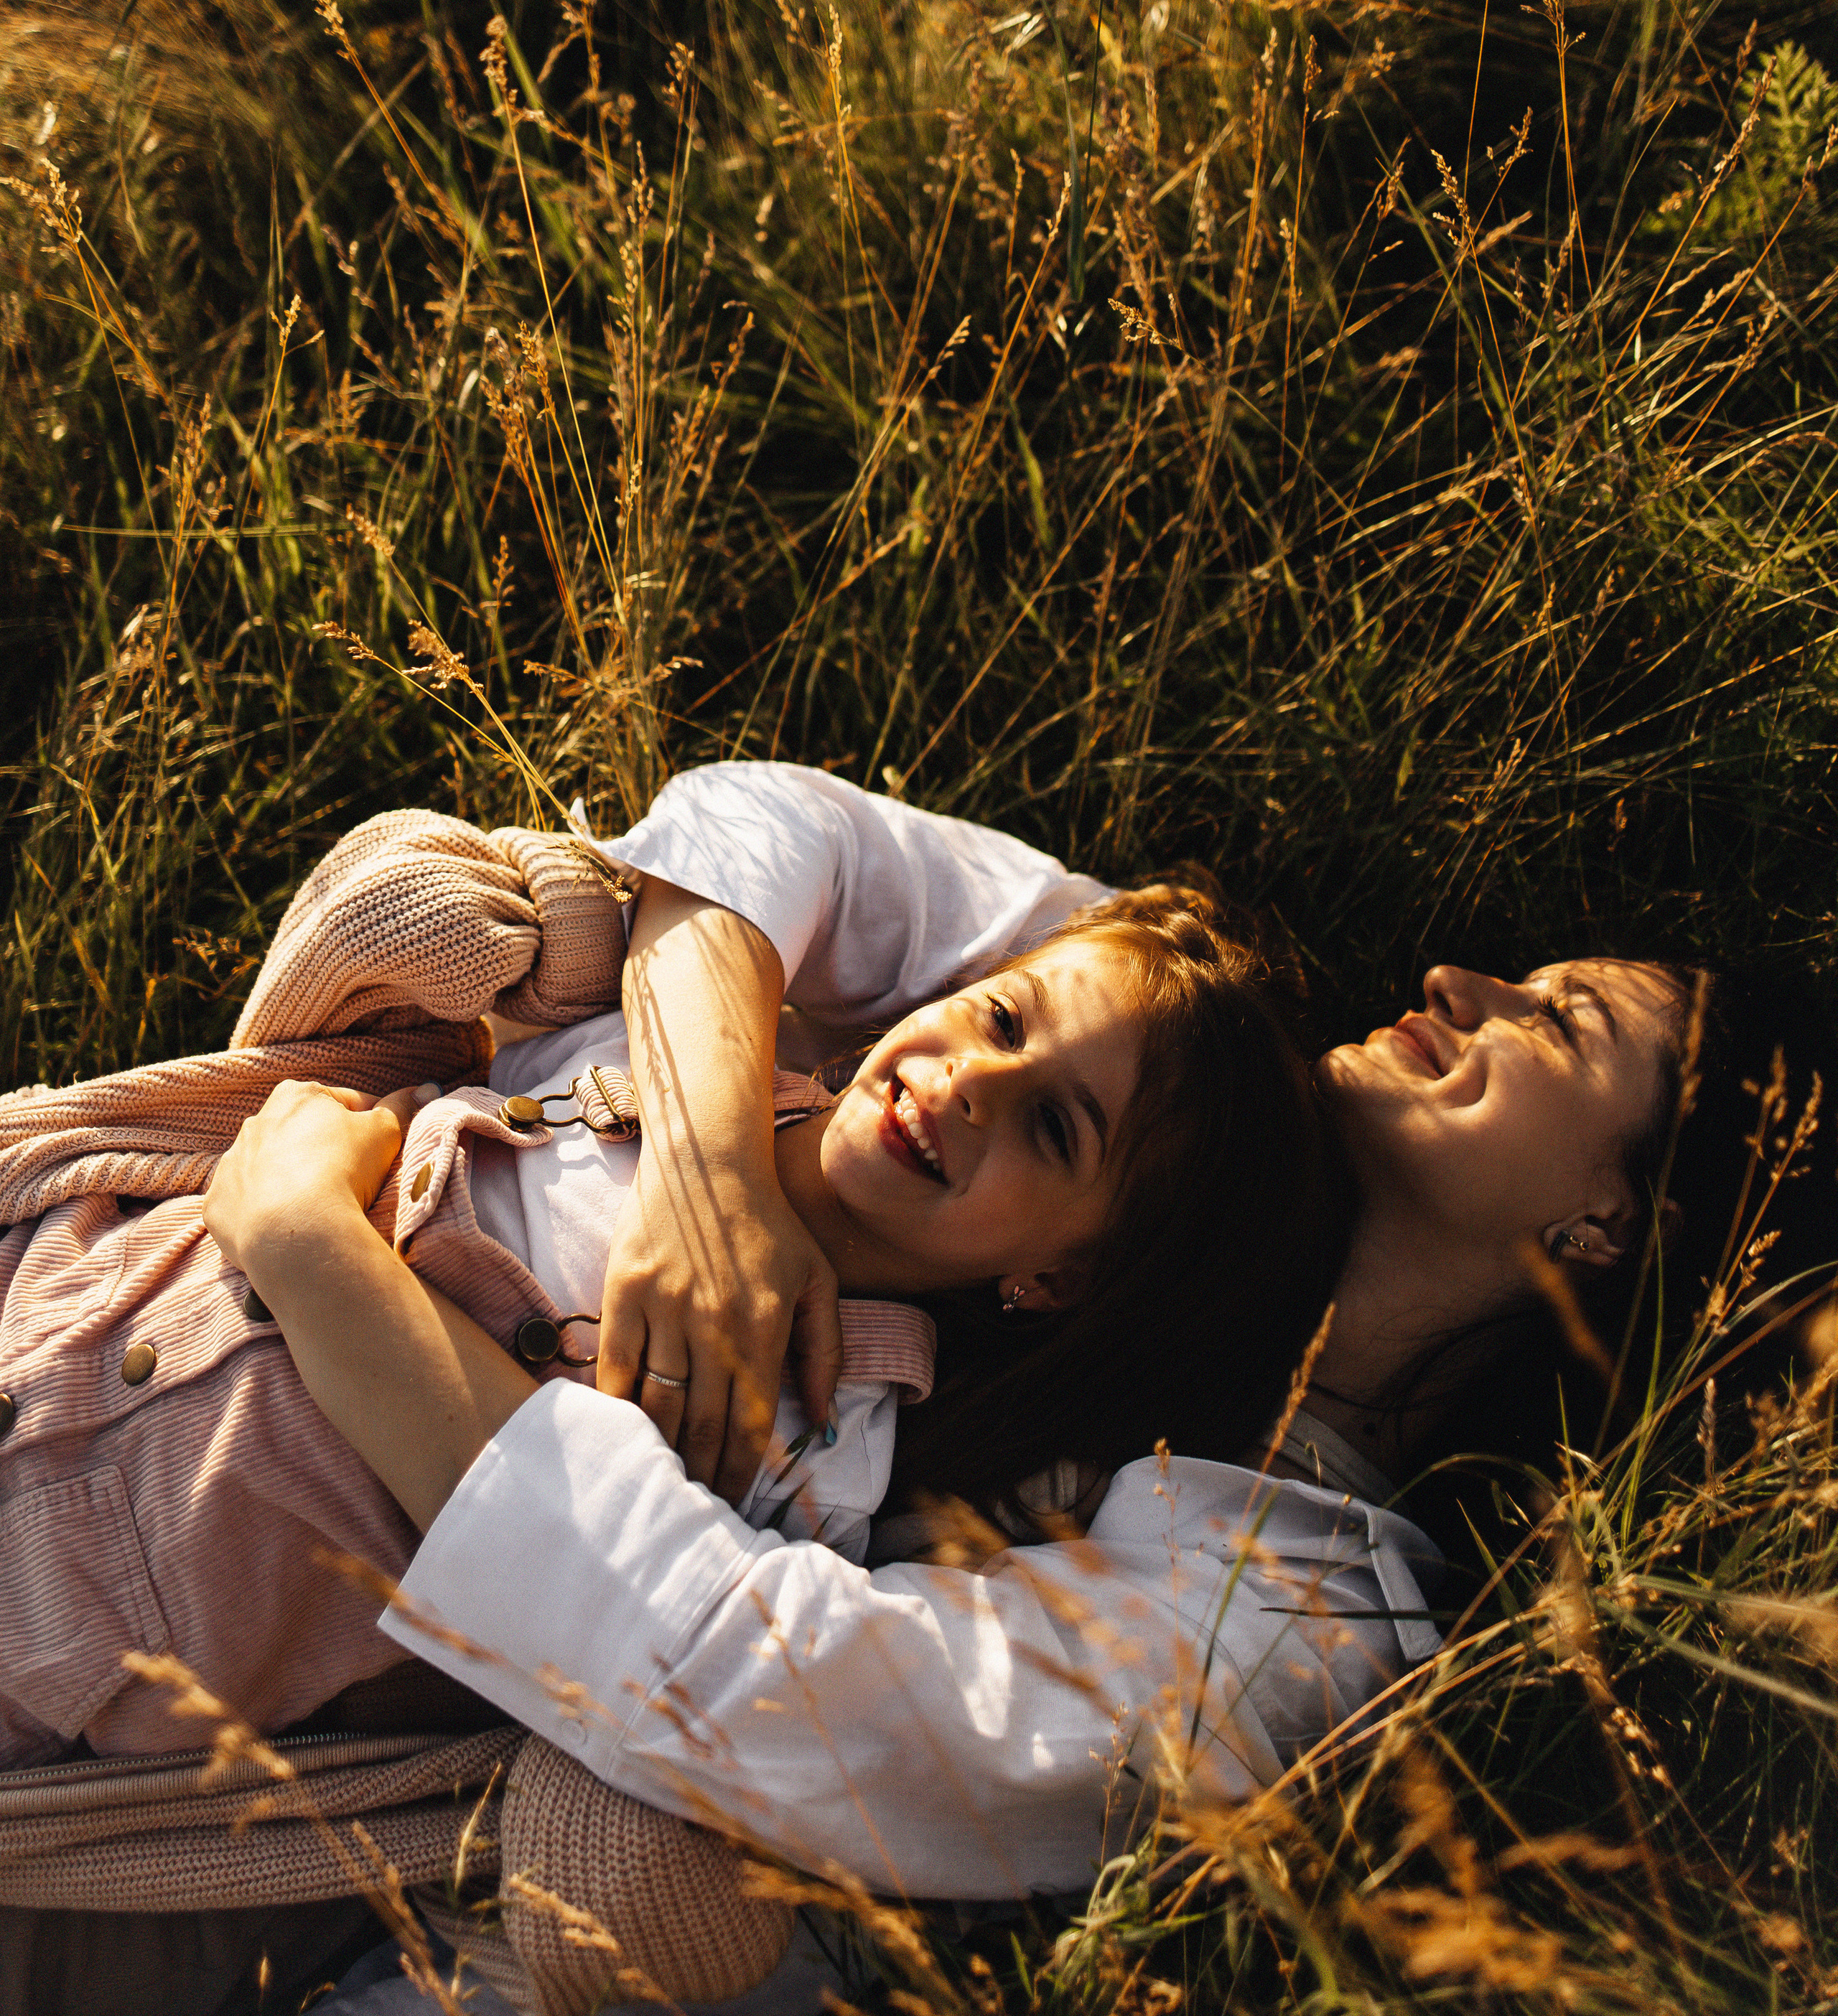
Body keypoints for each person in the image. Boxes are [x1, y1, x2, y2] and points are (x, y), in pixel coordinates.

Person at [214, 762, 1833, 1916]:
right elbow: (761, 829)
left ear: (1599, 1232)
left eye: (1551, 1021)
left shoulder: (1297, 1623)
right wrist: (712, 1181)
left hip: (273, 1633)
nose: (1457, 982)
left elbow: (745, 1690)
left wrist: (312, 1258)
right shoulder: (1184, 1056)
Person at [0, 806, 1338, 1769]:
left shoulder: (827, 1443)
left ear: (1055, 1278)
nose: (976, 1083)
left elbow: (538, 1642)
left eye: (1055, 1129)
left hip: (116, 1609)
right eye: (1001, 1019)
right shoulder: (661, 1065)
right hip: (73, 1294)